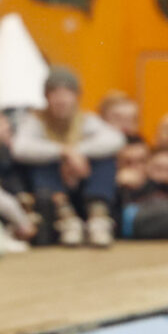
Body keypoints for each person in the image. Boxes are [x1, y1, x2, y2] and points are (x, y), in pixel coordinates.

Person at [11, 67, 124, 244]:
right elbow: (20, 148)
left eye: (66, 94)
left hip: (83, 183)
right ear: (47, 97)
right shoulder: (36, 121)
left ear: (76, 96)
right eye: (55, 94)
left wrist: (77, 152)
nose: (61, 100)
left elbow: (116, 139)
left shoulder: (87, 120)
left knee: (105, 161)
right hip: (54, 189)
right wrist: (64, 152)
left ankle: (98, 218)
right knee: (41, 163)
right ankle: (67, 219)